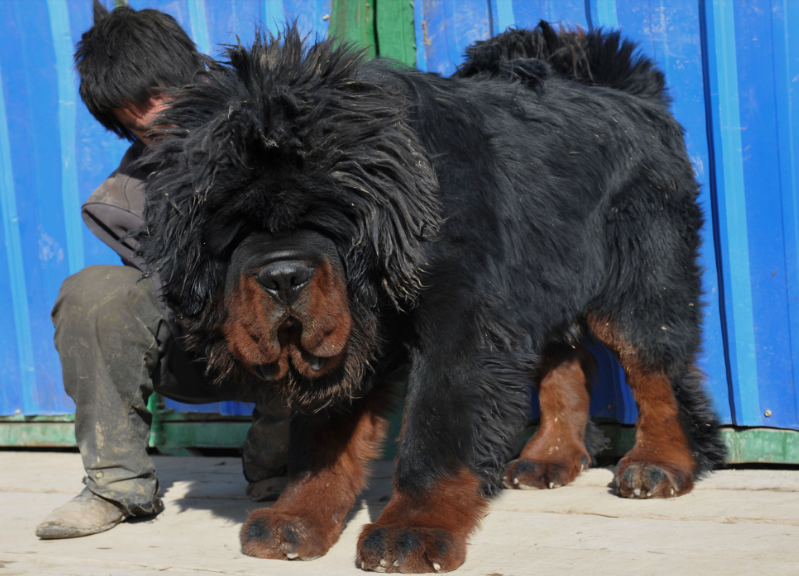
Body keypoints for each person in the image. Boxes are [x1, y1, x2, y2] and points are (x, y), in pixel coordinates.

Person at [35, 0, 289, 540]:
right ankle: (115, 485)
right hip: (210, 344)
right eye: (131, 113)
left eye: (155, 95)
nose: (150, 117)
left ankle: (282, 465)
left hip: (308, 328)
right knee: (93, 292)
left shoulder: (285, 115)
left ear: (194, 71)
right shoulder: (123, 198)